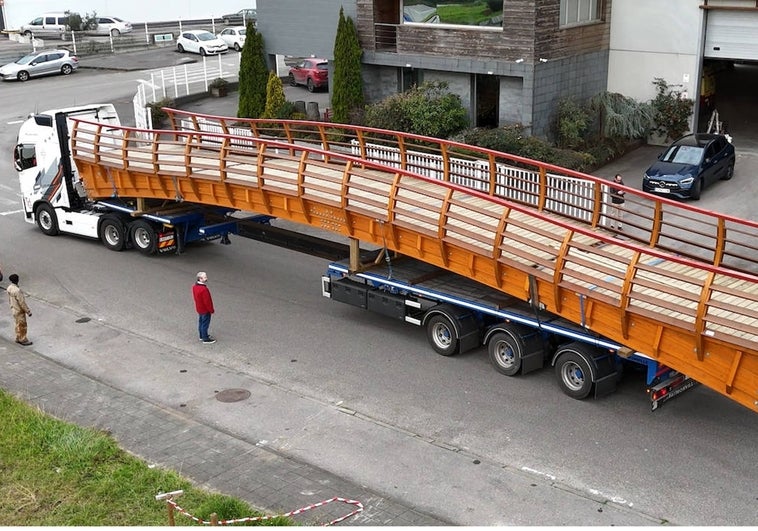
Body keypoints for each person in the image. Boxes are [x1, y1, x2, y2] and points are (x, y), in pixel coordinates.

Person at [7, 274, 33, 346]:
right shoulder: (17, 291)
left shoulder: (9, 288)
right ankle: (23, 339)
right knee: (22, 325)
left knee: (17, 324)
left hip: (13, 309)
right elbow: (22, 303)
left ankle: (18, 337)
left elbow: (10, 299)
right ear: (17, 280)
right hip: (19, 310)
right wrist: (28, 311)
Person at [192, 271, 216, 344]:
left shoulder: (194, 287)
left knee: (201, 322)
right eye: (205, 277)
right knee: (205, 323)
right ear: (200, 279)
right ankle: (205, 338)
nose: (206, 278)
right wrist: (211, 310)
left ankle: (201, 336)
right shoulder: (204, 290)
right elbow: (207, 302)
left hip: (199, 308)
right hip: (205, 310)